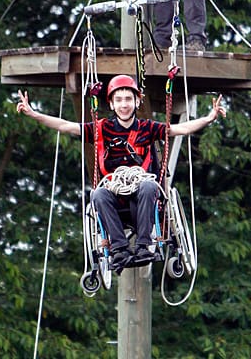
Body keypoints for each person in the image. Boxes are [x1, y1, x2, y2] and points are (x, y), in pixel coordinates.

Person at [16, 75, 225, 271]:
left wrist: (209, 118)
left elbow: (180, 129)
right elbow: (65, 126)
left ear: (136, 102)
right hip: (115, 198)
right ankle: (119, 249)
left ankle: (144, 246)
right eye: (119, 100)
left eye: (128, 99)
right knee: (97, 194)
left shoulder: (147, 128)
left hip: (142, 197)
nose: (124, 104)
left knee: (149, 185)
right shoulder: (102, 129)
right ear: (112, 104)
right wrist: (34, 114)